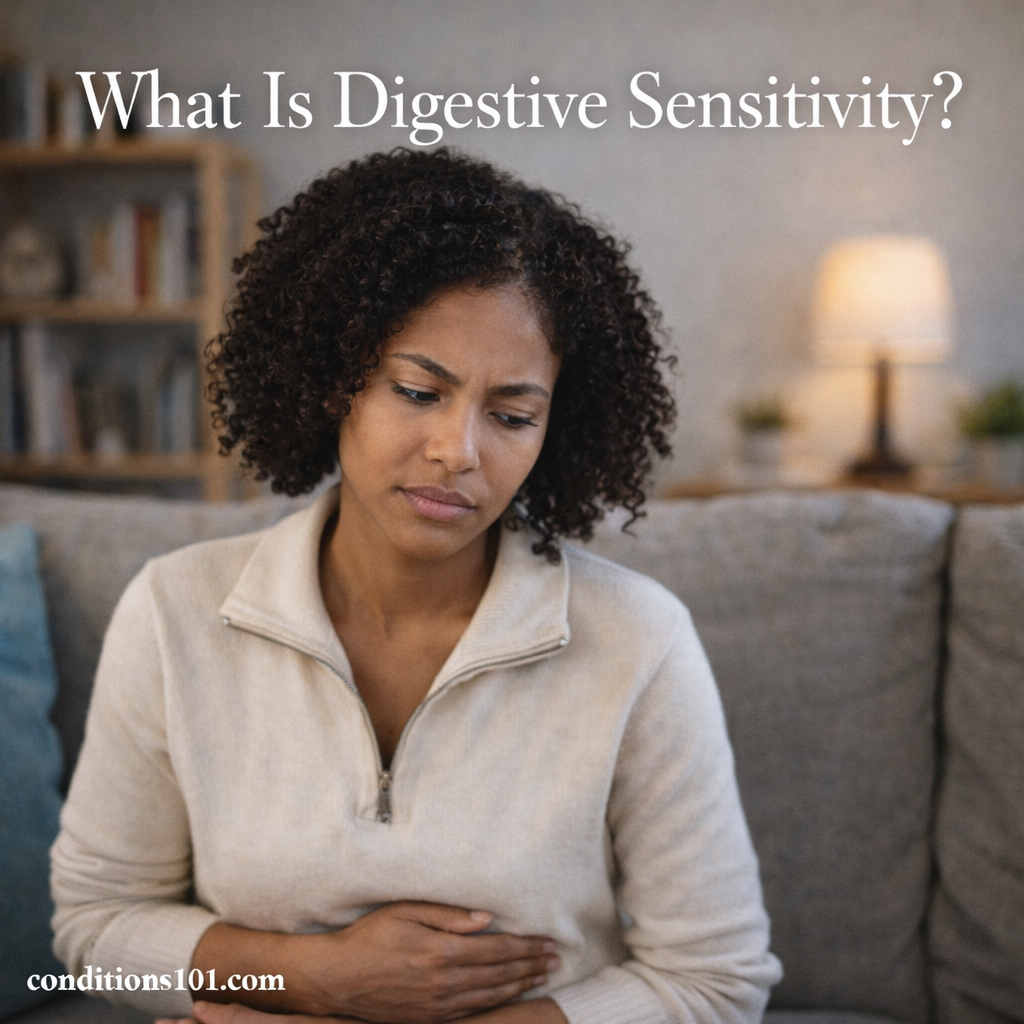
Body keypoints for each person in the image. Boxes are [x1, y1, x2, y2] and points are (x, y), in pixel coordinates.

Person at [51, 148, 782, 1024]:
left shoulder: (637, 639)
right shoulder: (174, 611)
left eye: (512, 416)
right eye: (416, 390)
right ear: (334, 382)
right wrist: (314, 977)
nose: (458, 451)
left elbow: (717, 979)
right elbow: (93, 937)